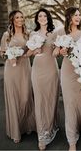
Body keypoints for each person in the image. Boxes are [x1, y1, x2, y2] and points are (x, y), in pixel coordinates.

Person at [53, 7, 81, 151]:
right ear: (68, 17)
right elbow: (54, 52)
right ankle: (72, 140)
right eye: (74, 15)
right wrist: (60, 51)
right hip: (68, 71)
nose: (78, 17)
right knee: (70, 104)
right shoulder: (60, 32)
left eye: (79, 14)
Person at [0, 10, 35, 143]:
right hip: (12, 70)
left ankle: (27, 125)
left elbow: (32, 49)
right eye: (17, 17)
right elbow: (2, 53)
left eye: (22, 17)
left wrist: (30, 52)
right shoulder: (7, 35)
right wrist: (9, 55)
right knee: (14, 99)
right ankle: (16, 131)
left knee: (26, 97)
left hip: (25, 68)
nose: (20, 19)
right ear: (12, 20)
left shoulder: (28, 34)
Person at [27, 8, 59, 150]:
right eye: (39, 16)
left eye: (44, 15)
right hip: (38, 70)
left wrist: (59, 49)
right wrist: (34, 50)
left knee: (51, 99)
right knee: (40, 100)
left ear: (48, 18)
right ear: (37, 19)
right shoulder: (32, 34)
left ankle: (51, 126)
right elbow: (28, 53)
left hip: (51, 69)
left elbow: (56, 53)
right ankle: (42, 135)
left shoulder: (54, 33)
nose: (42, 17)